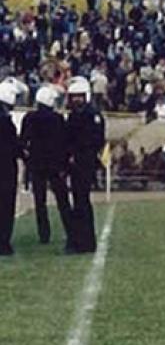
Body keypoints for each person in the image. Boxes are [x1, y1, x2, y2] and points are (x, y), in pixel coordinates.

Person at [20, 85, 74, 247]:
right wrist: (65, 165)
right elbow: (65, 143)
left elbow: (23, 142)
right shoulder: (57, 119)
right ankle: (70, 230)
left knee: (40, 201)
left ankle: (44, 234)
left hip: (36, 164)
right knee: (62, 200)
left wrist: (27, 160)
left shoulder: (29, 118)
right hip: (55, 165)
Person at [64, 76, 105, 254]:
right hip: (77, 163)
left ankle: (84, 241)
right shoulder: (76, 115)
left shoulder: (91, 115)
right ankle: (82, 240)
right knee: (80, 201)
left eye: (79, 96)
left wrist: (78, 153)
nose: (76, 100)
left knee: (82, 202)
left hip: (84, 162)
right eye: (74, 97)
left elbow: (96, 140)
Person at [0, 82, 22, 256]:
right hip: (6, 169)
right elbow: (13, 146)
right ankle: (3, 243)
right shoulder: (6, 122)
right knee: (6, 207)